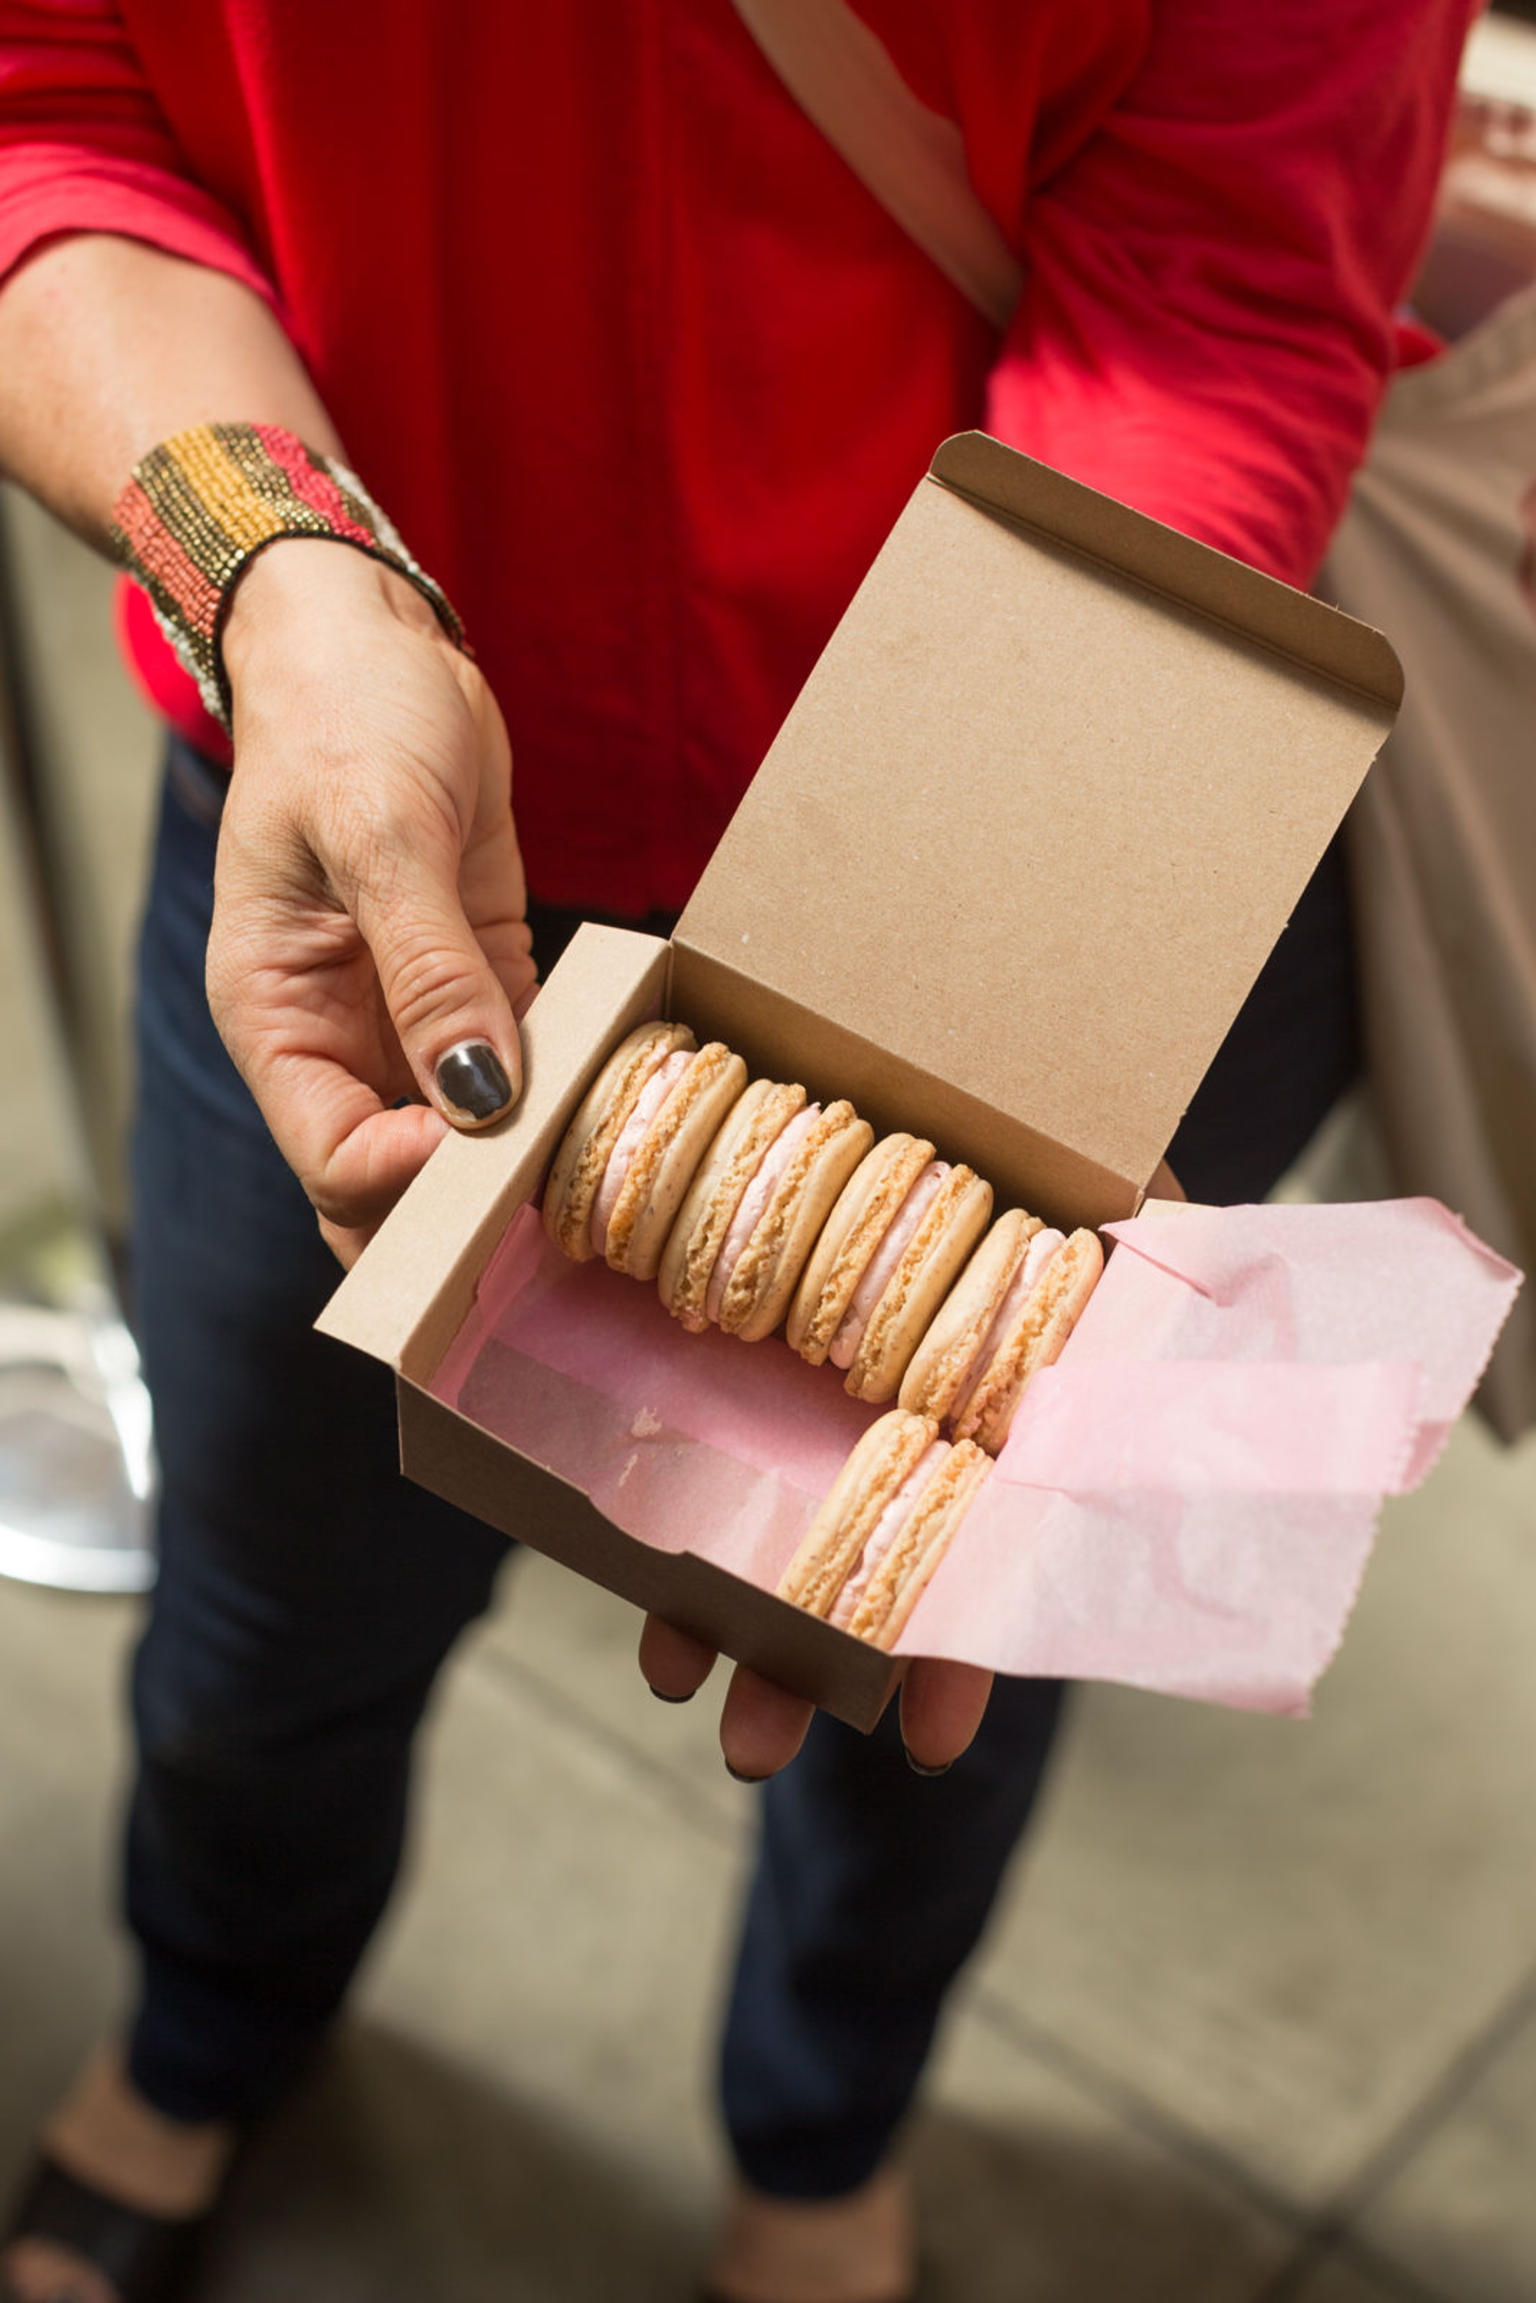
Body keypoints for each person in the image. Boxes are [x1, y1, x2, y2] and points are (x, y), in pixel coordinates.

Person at [0, 5, 1471, 2299]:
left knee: (937, 1670)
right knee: (266, 1606)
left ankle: (823, 2137)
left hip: (1048, 809)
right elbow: (51, 111)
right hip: (352, 792)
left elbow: (1226, 266)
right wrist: (280, 569)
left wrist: (981, 976)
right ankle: (208, 2027)